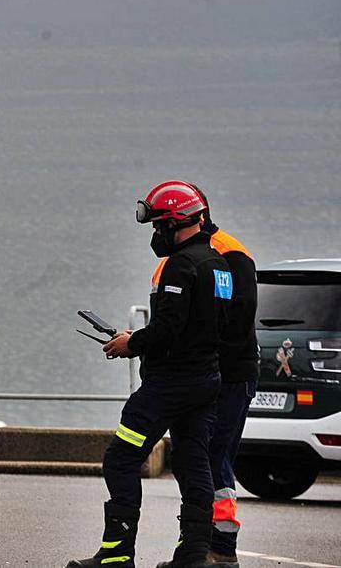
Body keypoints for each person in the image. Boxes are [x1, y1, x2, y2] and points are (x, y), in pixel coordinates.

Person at [68, 181, 232, 568]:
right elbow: (218, 327)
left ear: (176, 223)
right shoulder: (219, 265)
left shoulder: (181, 265)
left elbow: (169, 329)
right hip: (206, 380)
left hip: (169, 385)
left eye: (159, 225)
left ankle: (116, 557)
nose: (156, 234)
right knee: (194, 466)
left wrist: (131, 343)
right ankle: (192, 558)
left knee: (121, 458)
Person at [186, 184, 259, 565]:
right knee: (202, 457)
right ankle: (199, 548)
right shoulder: (188, 254)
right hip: (208, 372)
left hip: (229, 374)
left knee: (215, 456)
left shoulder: (228, 251)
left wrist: (208, 353)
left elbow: (240, 311)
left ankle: (222, 549)